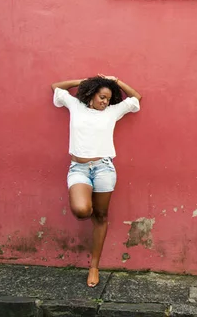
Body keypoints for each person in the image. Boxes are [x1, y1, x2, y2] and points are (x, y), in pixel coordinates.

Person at [51, 74, 141, 287]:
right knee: (82, 210)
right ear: (91, 95)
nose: (105, 102)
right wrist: (79, 82)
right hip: (79, 168)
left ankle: (94, 267)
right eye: (102, 97)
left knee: (101, 216)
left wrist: (117, 82)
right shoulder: (75, 105)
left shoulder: (112, 112)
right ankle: (88, 201)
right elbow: (55, 86)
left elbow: (136, 97)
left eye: (108, 99)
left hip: (104, 169)